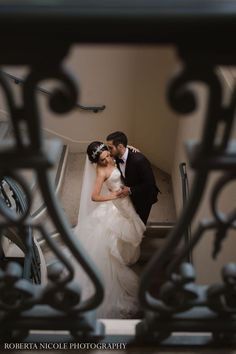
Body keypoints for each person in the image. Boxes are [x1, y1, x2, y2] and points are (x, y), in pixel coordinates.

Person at [73, 141, 145, 319]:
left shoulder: (113, 155)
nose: (108, 160)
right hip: (118, 201)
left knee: (132, 226)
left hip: (127, 199)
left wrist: (133, 150)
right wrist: (113, 195)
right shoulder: (101, 170)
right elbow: (94, 196)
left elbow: (123, 155)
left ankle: (129, 253)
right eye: (103, 159)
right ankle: (122, 256)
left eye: (108, 155)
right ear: (97, 160)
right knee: (120, 231)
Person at [106, 131, 160, 225]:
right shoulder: (117, 156)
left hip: (145, 197)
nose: (108, 151)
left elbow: (150, 184)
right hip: (131, 194)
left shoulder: (139, 160)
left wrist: (130, 190)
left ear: (120, 146)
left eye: (110, 148)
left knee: (140, 223)